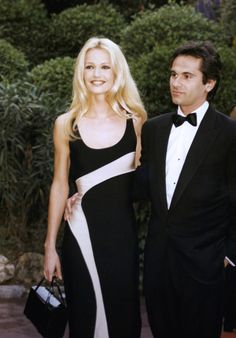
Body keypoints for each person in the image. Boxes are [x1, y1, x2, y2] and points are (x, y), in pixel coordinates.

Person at [43, 36, 147, 338]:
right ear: (81, 72)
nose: (97, 74)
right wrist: (50, 246)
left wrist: (95, 185)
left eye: (104, 67)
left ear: (117, 72)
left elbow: (144, 182)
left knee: (123, 317)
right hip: (79, 232)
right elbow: (59, 184)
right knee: (84, 317)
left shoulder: (137, 121)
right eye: (90, 67)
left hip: (121, 239)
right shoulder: (66, 123)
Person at [139, 41, 236, 338]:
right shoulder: (153, 130)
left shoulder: (230, 133)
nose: (176, 82)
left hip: (205, 266)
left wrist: (229, 254)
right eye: (173, 74)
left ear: (209, 83)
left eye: (186, 76)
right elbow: (140, 187)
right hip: (158, 264)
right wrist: (86, 190)